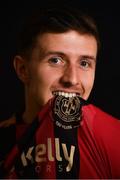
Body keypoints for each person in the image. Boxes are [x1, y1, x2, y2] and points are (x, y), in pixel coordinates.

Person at [0, 5, 120, 179]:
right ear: (23, 69)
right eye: (56, 60)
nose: (72, 79)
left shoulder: (114, 139)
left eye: (84, 63)